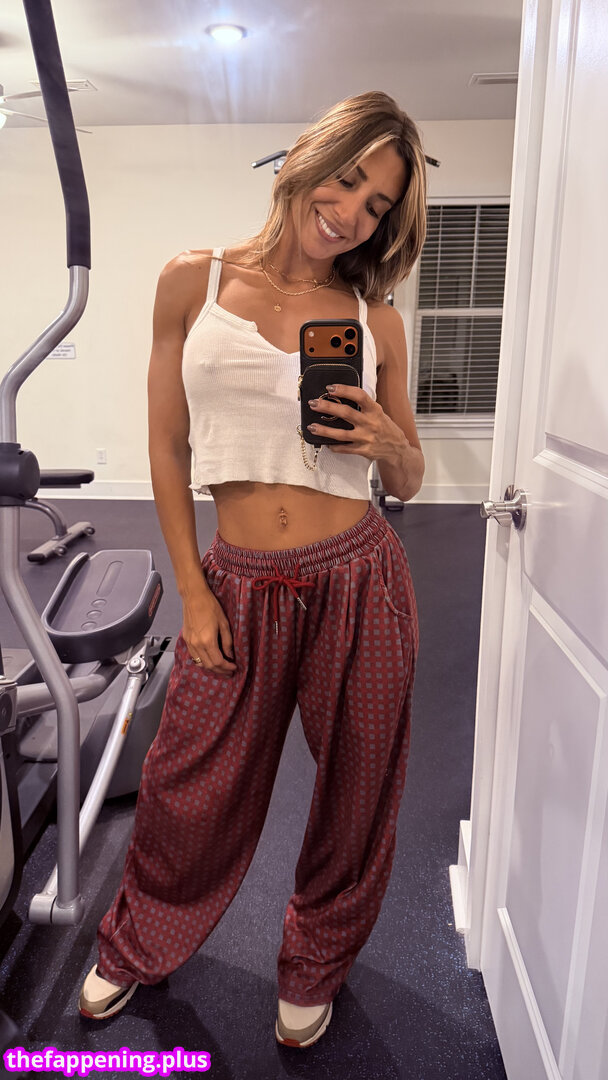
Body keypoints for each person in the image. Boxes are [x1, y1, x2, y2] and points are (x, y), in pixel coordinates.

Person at [78, 90, 427, 1048]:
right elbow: (165, 447)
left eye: (377, 205)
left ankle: (315, 962)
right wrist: (192, 591)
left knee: (358, 788)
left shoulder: (376, 319)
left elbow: (409, 477)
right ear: (307, 159)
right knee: (190, 779)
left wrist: (388, 440)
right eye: (346, 180)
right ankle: (140, 937)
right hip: (236, 579)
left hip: (361, 578)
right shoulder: (192, 281)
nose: (351, 212)